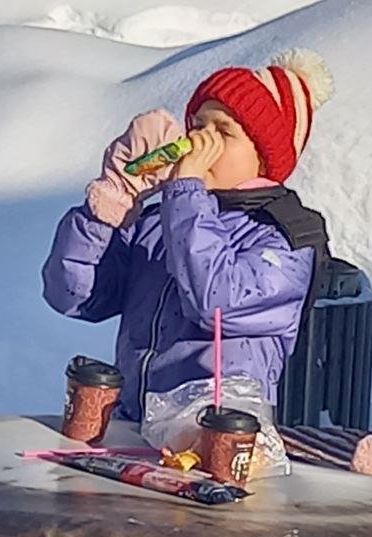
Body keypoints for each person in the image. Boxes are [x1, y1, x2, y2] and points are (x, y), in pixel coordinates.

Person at [41, 50, 333, 421]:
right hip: (133, 424)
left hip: (215, 433)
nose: (199, 141)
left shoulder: (284, 236)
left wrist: (187, 192)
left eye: (223, 132)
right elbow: (73, 295)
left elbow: (216, 302)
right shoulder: (164, 220)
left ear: (263, 158)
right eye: (197, 125)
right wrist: (111, 202)